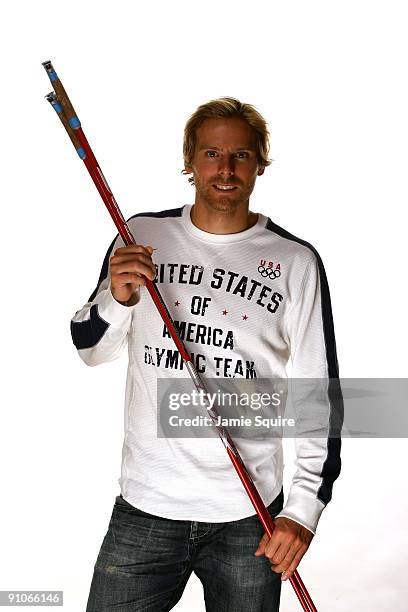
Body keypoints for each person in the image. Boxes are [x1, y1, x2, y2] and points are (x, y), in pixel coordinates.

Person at [71, 97, 342, 611]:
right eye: (211, 154)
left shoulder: (295, 261)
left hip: (249, 517)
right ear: (190, 161)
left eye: (240, 155)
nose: (225, 169)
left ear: (260, 163)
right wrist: (118, 296)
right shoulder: (140, 236)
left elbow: (318, 396)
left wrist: (303, 511)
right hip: (145, 508)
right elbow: (89, 348)